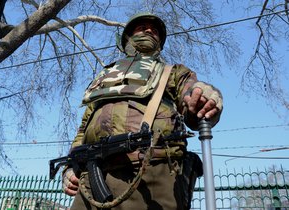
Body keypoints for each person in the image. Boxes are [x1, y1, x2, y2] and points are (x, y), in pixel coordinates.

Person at [62, 13, 223, 210]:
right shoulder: (105, 75)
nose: (149, 30)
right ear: (127, 37)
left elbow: (191, 91)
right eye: (142, 27)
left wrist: (205, 96)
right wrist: (70, 167)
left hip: (150, 173)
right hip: (92, 178)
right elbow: (84, 127)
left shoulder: (171, 71)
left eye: (154, 30)